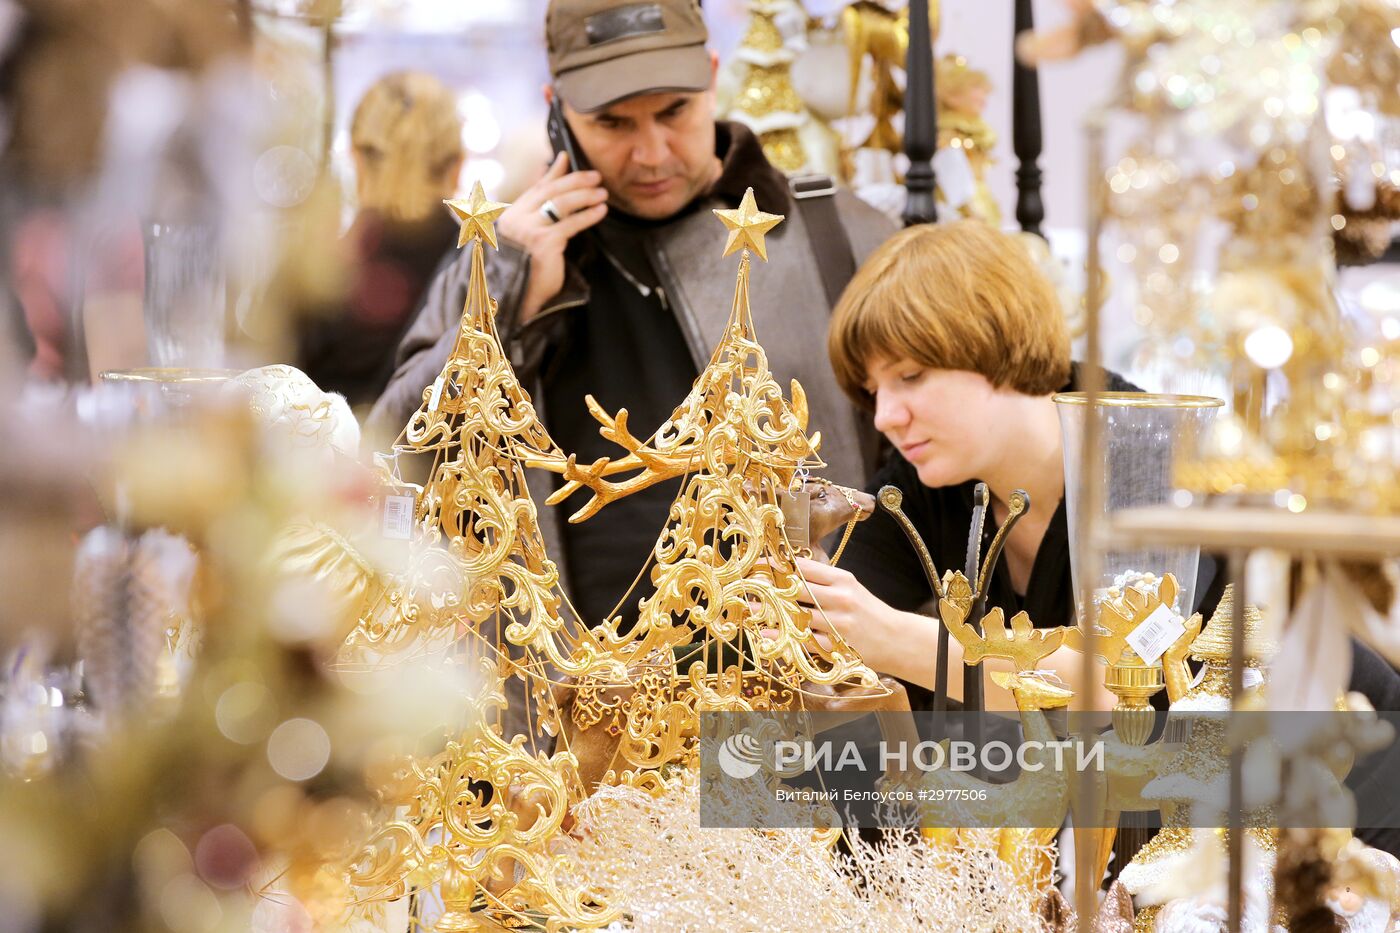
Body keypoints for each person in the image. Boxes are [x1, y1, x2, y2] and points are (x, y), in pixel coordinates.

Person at [367, 0, 895, 632]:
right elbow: (399, 458)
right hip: (574, 703)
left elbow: (919, 483)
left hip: (799, 694)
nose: (651, 153)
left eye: (675, 111)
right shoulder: (502, 260)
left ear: (713, 74)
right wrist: (513, 296)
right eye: (612, 123)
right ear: (557, 109)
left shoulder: (833, 233)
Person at [297, 71, 465, 409]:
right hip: (431, 459)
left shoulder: (321, 262)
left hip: (324, 457)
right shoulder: (476, 266)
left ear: (355, 156)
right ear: (457, 164)